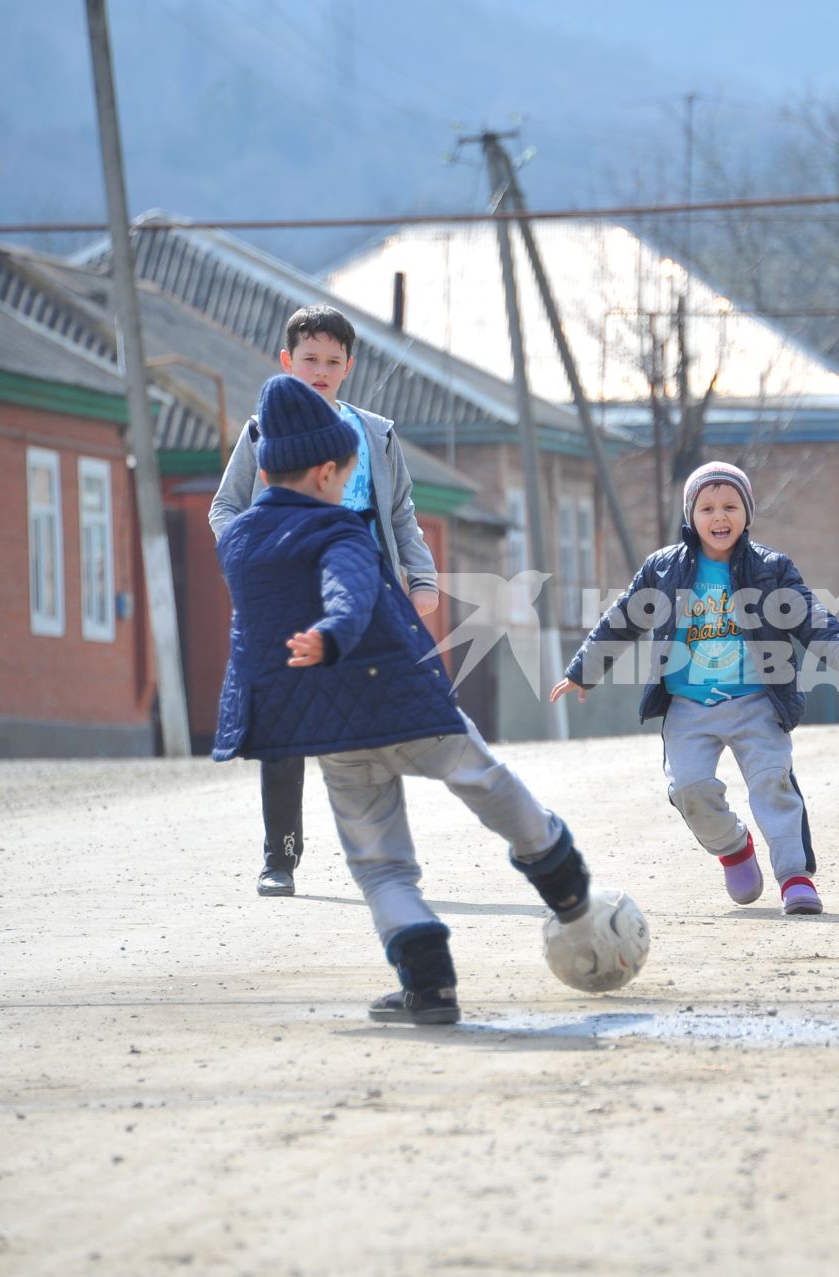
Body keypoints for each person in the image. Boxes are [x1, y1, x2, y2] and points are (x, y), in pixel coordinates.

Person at [214, 375, 595, 1025]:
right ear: (327, 471)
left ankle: (429, 983)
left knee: (380, 862)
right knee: (481, 776)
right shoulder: (341, 532)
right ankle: (560, 873)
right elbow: (351, 591)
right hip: (402, 696)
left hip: (328, 728)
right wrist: (334, 635)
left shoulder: (240, 542)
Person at [550, 461, 839, 916]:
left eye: (731, 506)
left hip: (757, 701)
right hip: (689, 705)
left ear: (747, 514)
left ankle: (794, 877)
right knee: (689, 787)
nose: (720, 517)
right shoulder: (663, 568)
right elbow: (623, 618)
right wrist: (583, 670)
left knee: (773, 784)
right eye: (708, 507)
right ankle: (734, 848)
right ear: (691, 514)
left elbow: (810, 618)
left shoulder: (771, 568)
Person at [209, 304, 440, 898]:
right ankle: (280, 857)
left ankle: (380, 858)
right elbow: (224, 507)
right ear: (287, 362)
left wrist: (422, 579)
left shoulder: (376, 434)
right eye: (309, 359)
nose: (320, 370)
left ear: (348, 368)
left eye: (332, 362)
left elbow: (401, 516)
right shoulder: (262, 432)